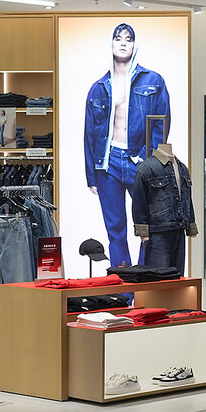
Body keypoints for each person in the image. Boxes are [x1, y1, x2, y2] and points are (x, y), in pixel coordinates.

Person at [84, 23, 172, 268]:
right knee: (115, 230)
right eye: (118, 38)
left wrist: (150, 161)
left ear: (135, 45)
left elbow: (161, 125)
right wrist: (91, 174)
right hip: (108, 162)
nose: (123, 42)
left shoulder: (154, 80)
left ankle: (143, 281)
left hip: (140, 162)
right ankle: (123, 289)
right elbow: (89, 134)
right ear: (111, 44)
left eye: (128, 38)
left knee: (148, 225)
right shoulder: (98, 88)